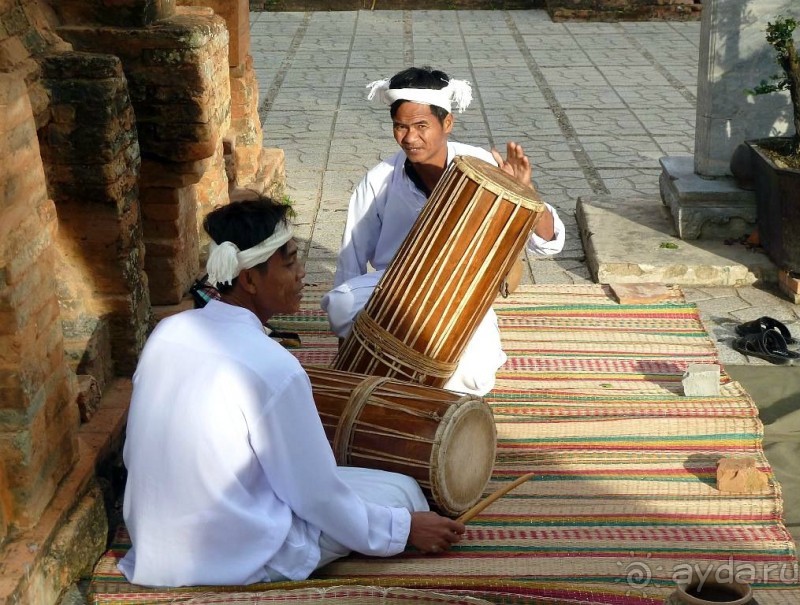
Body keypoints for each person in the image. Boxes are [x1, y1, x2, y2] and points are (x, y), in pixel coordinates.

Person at [118, 195, 464, 588]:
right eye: (290, 262)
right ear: (249, 279)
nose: (302, 273)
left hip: (155, 547)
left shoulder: (167, 333)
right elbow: (316, 496)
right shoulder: (274, 368)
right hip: (235, 555)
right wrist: (403, 530)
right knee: (400, 493)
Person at [321, 66, 566, 396]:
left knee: (475, 378)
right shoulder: (378, 180)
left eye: (421, 126)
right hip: (394, 288)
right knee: (339, 305)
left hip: (463, 293)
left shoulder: (483, 165)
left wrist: (526, 195)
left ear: (447, 123)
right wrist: (347, 355)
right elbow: (351, 263)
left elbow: (548, 244)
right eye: (400, 127)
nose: (410, 138)